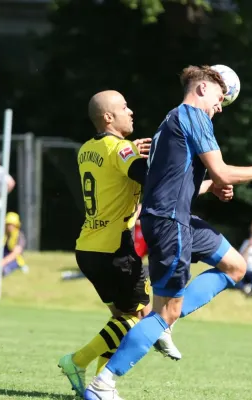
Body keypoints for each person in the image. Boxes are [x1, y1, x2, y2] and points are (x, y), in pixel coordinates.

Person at [83, 65, 252, 399]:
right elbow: (221, 169)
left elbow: (173, 182)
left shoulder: (173, 120)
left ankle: (163, 320)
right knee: (166, 310)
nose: (220, 107)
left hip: (177, 217)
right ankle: (103, 383)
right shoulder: (194, 116)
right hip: (170, 223)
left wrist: (214, 185)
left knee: (236, 266)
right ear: (202, 89)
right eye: (220, 98)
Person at [58, 90, 181, 397]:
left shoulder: (86, 149)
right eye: (124, 107)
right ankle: (77, 360)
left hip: (88, 247)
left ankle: (100, 386)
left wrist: (130, 151)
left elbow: (116, 169)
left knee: (121, 318)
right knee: (140, 318)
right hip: (115, 249)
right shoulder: (121, 149)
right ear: (108, 117)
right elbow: (147, 176)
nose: (131, 111)